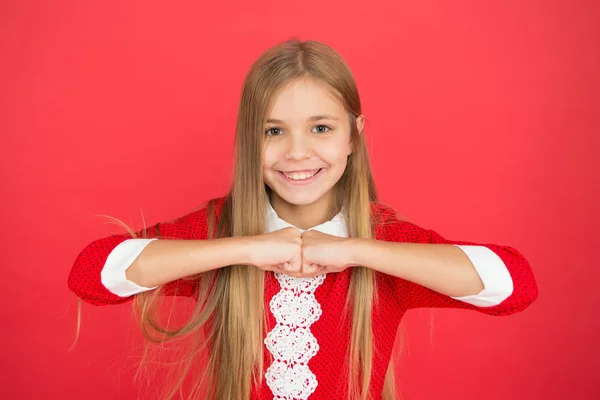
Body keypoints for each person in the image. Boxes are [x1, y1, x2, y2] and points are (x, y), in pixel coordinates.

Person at [67, 39, 538, 400]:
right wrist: (246, 248)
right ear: (250, 140)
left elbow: (513, 286)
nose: (297, 152)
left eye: (321, 128)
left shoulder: (386, 242)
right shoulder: (217, 229)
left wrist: (357, 251)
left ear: (354, 136)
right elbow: (93, 275)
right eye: (273, 131)